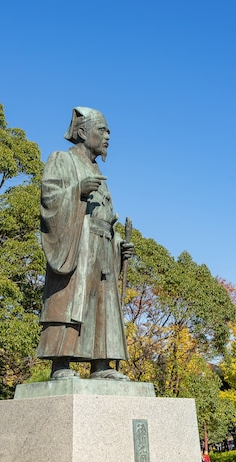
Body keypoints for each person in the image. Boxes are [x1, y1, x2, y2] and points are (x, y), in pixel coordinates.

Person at [36, 107, 133, 380]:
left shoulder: (96, 170)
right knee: (71, 300)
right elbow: (49, 198)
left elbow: (104, 217)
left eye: (108, 132)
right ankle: (61, 364)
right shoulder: (62, 160)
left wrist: (119, 246)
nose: (107, 136)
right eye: (102, 130)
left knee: (101, 303)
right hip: (76, 241)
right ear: (82, 132)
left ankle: (101, 365)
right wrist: (77, 191)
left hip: (102, 246)